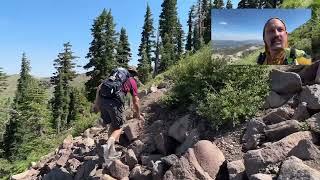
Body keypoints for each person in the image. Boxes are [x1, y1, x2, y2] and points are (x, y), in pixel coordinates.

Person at [92, 66, 144, 159]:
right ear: (133, 74)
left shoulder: (115, 75)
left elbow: (100, 86)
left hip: (103, 100)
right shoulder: (131, 81)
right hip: (114, 103)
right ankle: (108, 146)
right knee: (119, 127)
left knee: (112, 124)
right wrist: (138, 114)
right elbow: (135, 100)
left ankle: (111, 151)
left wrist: (96, 104)